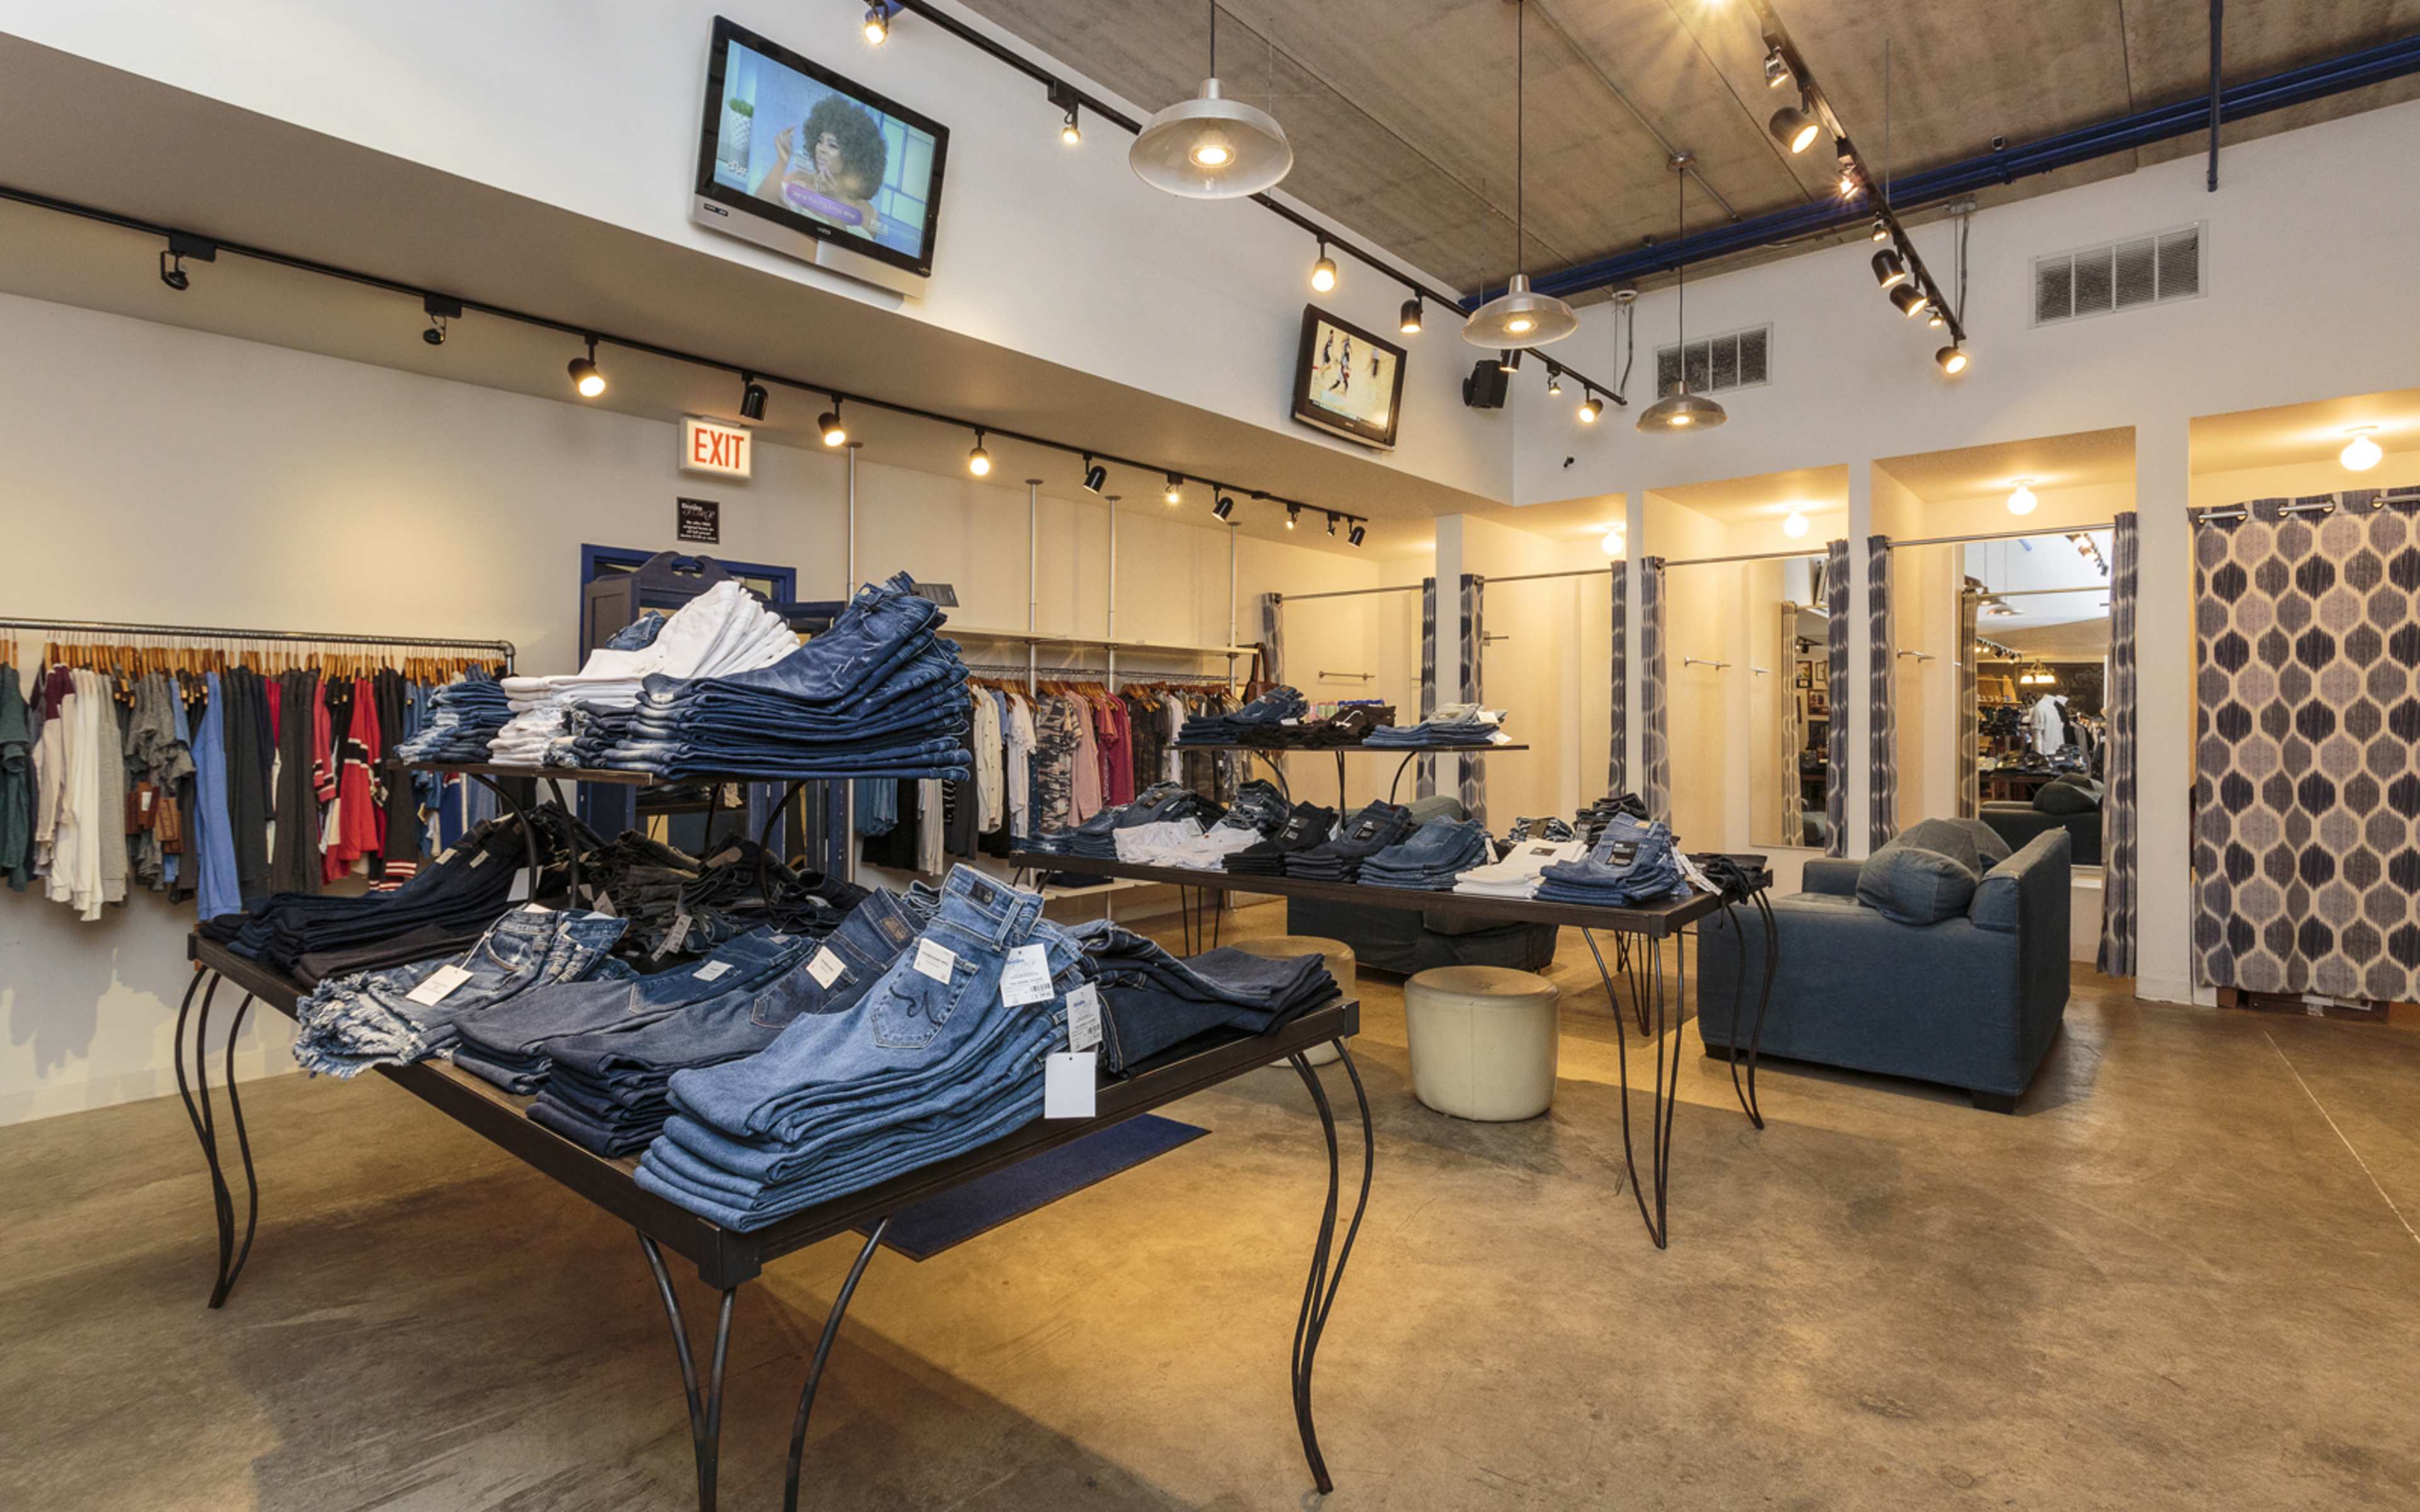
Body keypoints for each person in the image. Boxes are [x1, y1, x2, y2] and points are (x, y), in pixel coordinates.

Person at [756, 93, 888, 239]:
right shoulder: (799, 179)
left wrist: (833, 203)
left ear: (852, 157)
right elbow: (759, 210)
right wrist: (782, 161)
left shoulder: (865, 212)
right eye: (820, 141)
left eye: (832, 145)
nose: (822, 149)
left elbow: (847, 254)